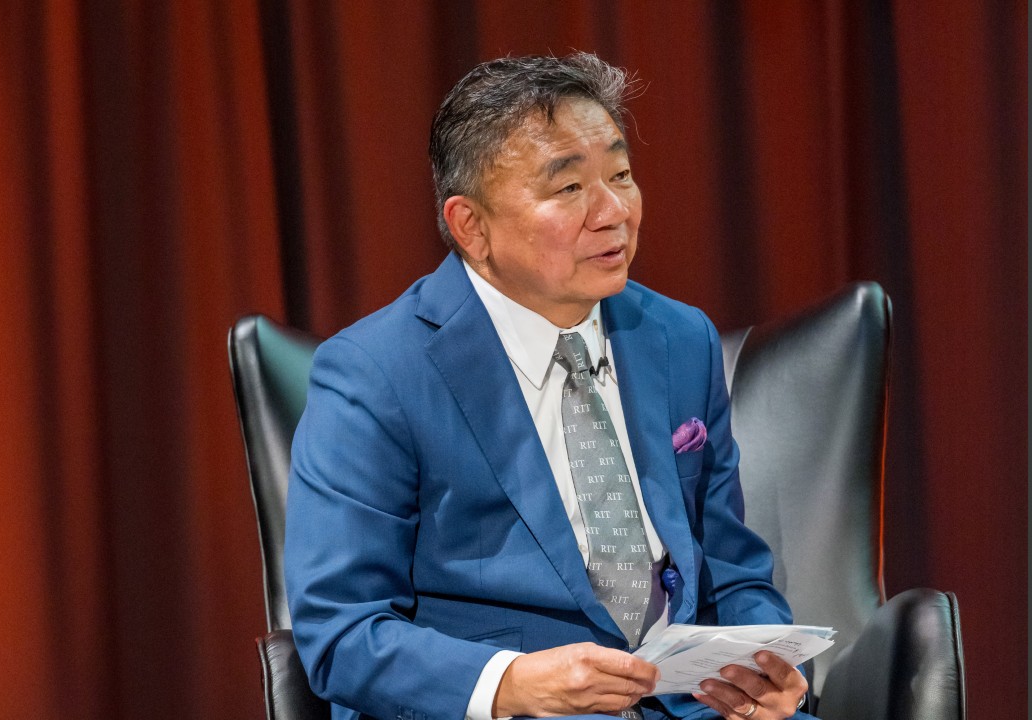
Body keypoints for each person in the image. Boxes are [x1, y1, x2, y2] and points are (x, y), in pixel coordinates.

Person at [285, 53, 813, 720]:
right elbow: (342, 637)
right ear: (470, 226)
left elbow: (732, 571)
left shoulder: (679, 338)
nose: (614, 211)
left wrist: (768, 666)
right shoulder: (374, 374)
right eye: (568, 190)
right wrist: (512, 684)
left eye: (621, 175)